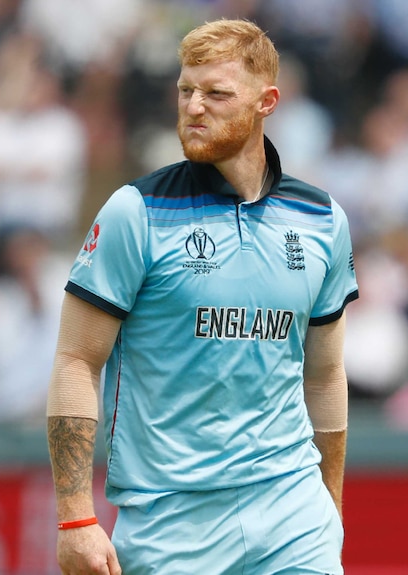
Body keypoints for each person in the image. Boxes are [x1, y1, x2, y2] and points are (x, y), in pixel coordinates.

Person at [46, 18, 359, 575]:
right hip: (171, 526)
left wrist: (330, 510)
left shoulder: (321, 220)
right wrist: (75, 518)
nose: (194, 107)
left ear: (267, 102)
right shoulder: (134, 212)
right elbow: (76, 360)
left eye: (216, 93)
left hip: (293, 515)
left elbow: (325, 376)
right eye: (186, 91)